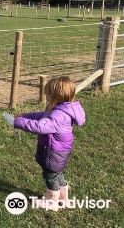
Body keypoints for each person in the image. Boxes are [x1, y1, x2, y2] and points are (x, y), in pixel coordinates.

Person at [13, 76, 85, 211]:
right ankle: (63, 198)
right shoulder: (62, 108)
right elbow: (43, 115)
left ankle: (51, 201)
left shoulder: (59, 115)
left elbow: (40, 126)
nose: (46, 97)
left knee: (50, 175)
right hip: (61, 149)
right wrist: (25, 115)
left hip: (53, 151)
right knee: (57, 172)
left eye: (48, 95)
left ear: (56, 96)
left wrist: (18, 122)